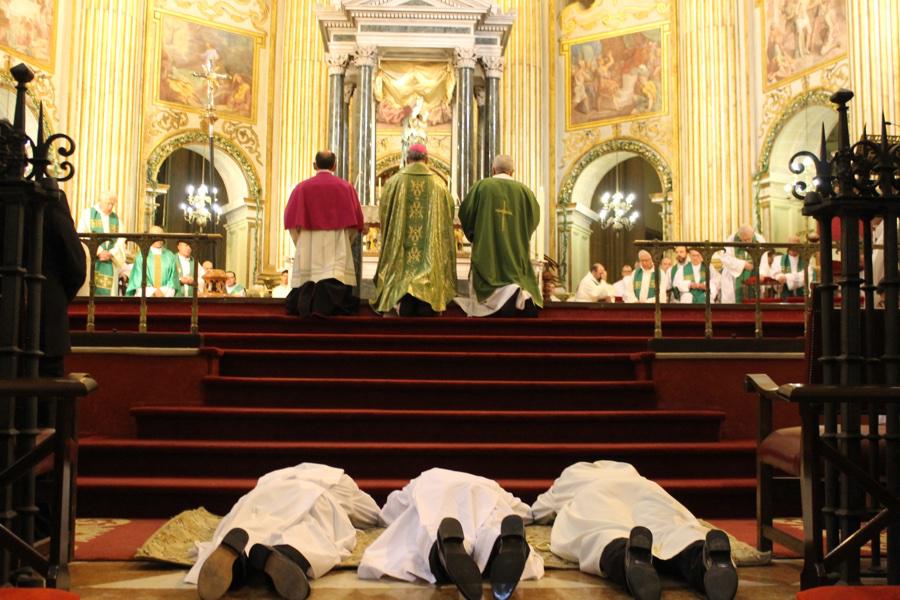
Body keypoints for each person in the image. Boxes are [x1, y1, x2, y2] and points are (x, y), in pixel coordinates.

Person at [533, 461, 738, 600]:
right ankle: (702, 556)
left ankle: (628, 556)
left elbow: (539, 511)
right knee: (672, 529)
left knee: (603, 533)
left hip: (595, 494)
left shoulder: (570, 476)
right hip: (646, 491)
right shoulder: (630, 471)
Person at [187, 463, 380, 600]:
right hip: (311, 496)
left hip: (259, 497)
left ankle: (237, 565)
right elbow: (371, 514)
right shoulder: (338, 480)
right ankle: (289, 554)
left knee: (251, 526)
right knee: (311, 531)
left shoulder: (272, 477)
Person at [358, 468, 544, 600]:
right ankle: (499, 541)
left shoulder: (421, 480)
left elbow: (389, 512)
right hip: (484, 492)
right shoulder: (491, 484)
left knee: (421, 522)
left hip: (431, 492)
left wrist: (384, 518)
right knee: (491, 517)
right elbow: (526, 512)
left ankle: (440, 550)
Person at [371, 143, 456, 316]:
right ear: (427, 159)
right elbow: (448, 214)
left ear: (406, 159)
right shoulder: (439, 184)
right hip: (429, 255)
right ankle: (428, 298)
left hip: (401, 253)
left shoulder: (394, 182)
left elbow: (384, 213)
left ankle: (403, 298)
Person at [456, 155, 542, 317]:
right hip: (515, 250)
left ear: (493, 170)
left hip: (487, 250)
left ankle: (502, 299)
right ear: (512, 172)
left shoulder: (482, 187)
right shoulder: (525, 192)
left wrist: (475, 235)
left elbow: (465, 213)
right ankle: (515, 294)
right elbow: (533, 219)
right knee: (515, 276)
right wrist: (519, 233)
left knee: (487, 277)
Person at [283, 150, 364, 317]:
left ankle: (307, 305)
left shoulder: (302, 187)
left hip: (308, 241)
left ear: (314, 165)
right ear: (335, 165)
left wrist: (300, 242)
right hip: (336, 242)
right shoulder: (346, 187)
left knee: (310, 275)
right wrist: (345, 241)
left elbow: (291, 221)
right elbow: (355, 224)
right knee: (334, 274)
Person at [39, 180, 87, 377]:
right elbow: (75, 265)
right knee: (44, 396)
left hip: (44, 318)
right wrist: (56, 296)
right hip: (46, 319)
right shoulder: (50, 198)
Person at [77, 191, 125, 296]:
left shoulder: (116, 219)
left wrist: (111, 253)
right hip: (92, 260)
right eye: (108, 203)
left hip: (110, 261)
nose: (111, 207)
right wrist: (99, 251)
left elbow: (121, 239)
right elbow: (82, 235)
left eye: (113, 204)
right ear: (100, 201)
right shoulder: (88, 214)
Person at [125, 226, 179, 297]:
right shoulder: (142, 255)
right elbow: (137, 281)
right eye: (155, 236)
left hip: (165, 298)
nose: (159, 239)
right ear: (149, 237)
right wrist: (153, 291)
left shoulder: (170, 256)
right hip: (146, 297)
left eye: (161, 236)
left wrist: (163, 293)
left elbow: (173, 281)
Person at [719, 224, 765, 304]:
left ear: (753, 233)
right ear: (739, 236)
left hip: (754, 274)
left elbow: (764, 257)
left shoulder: (759, 240)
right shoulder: (731, 239)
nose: (746, 242)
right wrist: (743, 264)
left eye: (748, 239)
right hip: (733, 277)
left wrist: (762, 273)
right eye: (744, 240)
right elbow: (725, 258)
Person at [769, 236, 806, 300]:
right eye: (791, 245)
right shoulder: (779, 259)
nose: (793, 248)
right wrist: (780, 276)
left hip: (802, 298)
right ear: (787, 246)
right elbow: (774, 274)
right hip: (785, 297)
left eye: (796, 245)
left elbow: (806, 277)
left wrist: (786, 277)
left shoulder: (805, 260)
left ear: (800, 246)